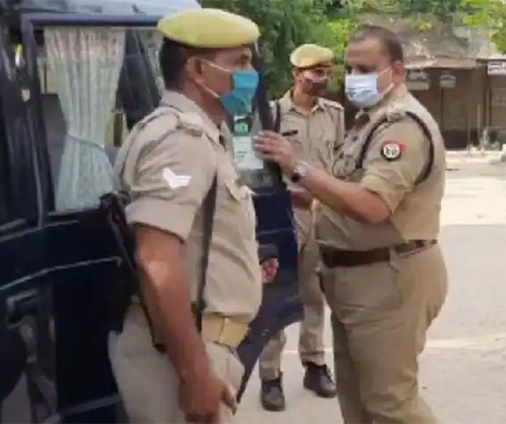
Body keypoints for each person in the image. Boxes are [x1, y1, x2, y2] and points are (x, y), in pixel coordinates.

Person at [254, 25, 448, 424]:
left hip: (387, 279)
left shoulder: (401, 125)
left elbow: (374, 205)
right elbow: (343, 193)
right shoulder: (369, 121)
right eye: (351, 68)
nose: (354, 78)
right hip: (355, 279)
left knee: (392, 405)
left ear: (396, 70)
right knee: (358, 404)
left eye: (366, 68)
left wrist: (298, 166)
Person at [108, 8, 277, 424]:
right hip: (181, 353)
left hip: (194, 344)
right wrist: (195, 372)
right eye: (239, 61)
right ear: (198, 70)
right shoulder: (180, 140)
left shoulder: (196, 133)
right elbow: (156, 260)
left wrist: (240, 269)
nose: (249, 72)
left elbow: (194, 237)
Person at [258, 43, 342, 411]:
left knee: (314, 292)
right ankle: (270, 375)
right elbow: (260, 168)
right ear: (296, 74)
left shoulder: (335, 113)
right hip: (286, 212)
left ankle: (314, 364)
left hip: (320, 212)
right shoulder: (274, 113)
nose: (321, 80)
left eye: (326, 73)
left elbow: (338, 160)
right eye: (314, 73)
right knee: (276, 295)